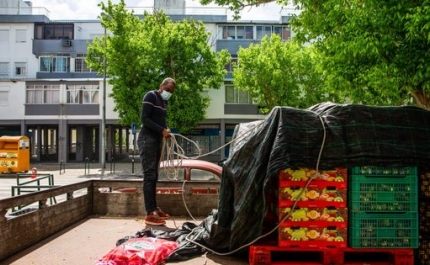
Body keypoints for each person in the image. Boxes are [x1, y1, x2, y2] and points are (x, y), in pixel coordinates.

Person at [138, 77, 176, 225]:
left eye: (171, 91)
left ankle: (154, 208)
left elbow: (161, 120)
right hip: (147, 139)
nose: (168, 93)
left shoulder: (164, 102)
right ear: (161, 86)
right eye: (167, 89)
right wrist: (161, 130)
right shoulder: (151, 96)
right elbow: (145, 119)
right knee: (149, 175)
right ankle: (149, 213)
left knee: (154, 175)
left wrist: (166, 130)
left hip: (157, 140)